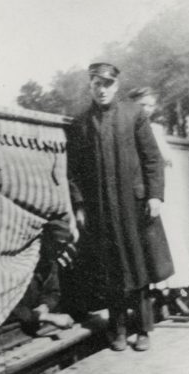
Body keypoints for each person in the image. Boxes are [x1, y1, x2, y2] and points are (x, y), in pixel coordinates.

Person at [66, 63, 169, 352]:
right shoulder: (82, 123)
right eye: (96, 84)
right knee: (111, 271)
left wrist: (155, 196)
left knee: (139, 267)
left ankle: (144, 329)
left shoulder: (134, 115)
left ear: (116, 86)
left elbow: (152, 159)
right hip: (101, 210)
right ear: (90, 86)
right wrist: (80, 205)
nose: (102, 89)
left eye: (107, 84)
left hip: (134, 207)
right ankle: (118, 328)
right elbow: (73, 170)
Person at [127, 87, 189, 318]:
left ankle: (175, 295)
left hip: (164, 195)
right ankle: (160, 298)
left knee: (173, 245)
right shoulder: (129, 130)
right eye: (141, 105)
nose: (146, 110)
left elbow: (165, 163)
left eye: (149, 105)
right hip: (145, 197)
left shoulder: (156, 129)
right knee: (154, 249)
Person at [6, 219, 76, 335]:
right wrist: (45, 317)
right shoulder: (22, 263)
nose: (59, 251)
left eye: (62, 246)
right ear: (45, 241)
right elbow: (11, 304)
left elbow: (53, 292)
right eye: (56, 244)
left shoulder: (50, 263)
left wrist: (45, 306)